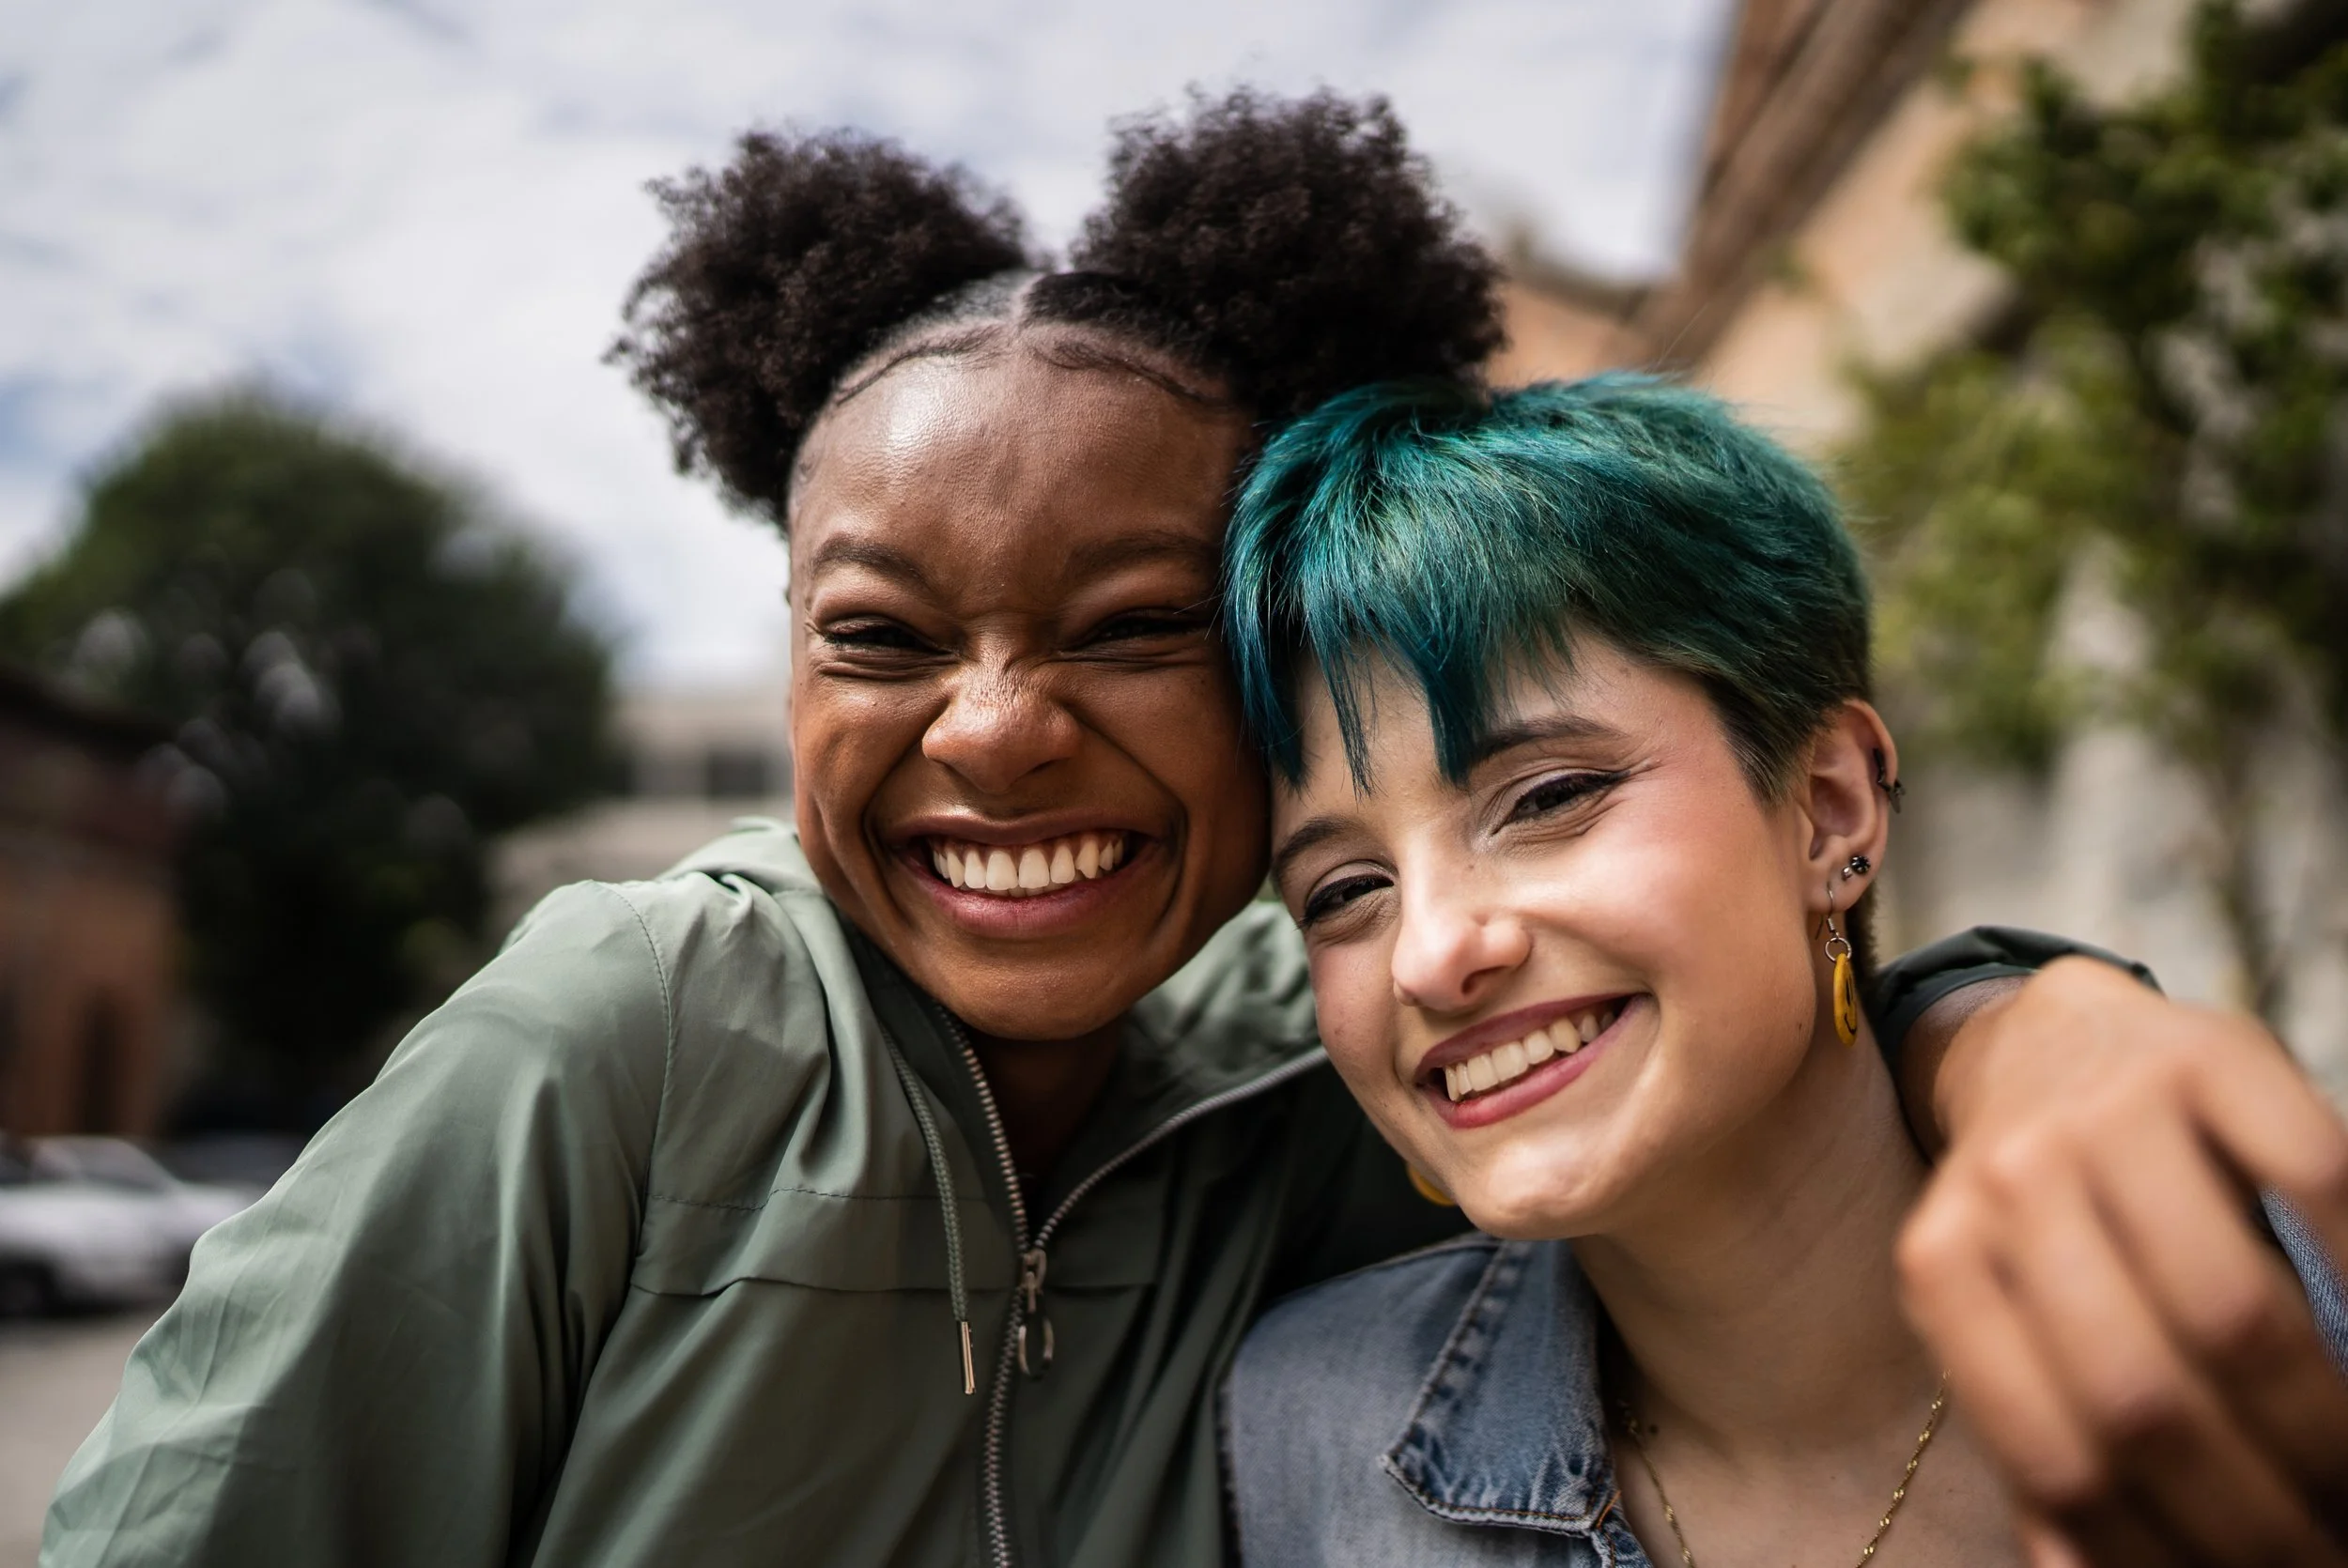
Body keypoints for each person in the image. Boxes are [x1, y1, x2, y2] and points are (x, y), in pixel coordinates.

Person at [39, 94, 2341, 1568]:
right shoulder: (633, 1028)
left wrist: (2029, 1019)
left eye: (1129, 629)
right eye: (879, 633)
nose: (996, 728)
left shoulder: (1313, 1063)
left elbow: (1709, 1028)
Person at [1218, 376, 2348, 1567]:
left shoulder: (2287, 1290)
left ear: (1827, 807)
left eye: (1546, 798)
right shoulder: (1306, 1437)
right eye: (1344, 891)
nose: (1432, 954)